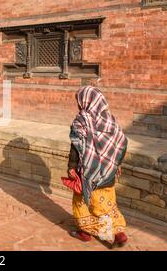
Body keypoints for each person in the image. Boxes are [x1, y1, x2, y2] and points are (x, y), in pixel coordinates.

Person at [67, 85, 128, 248]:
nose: (79, 105)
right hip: (108, 172)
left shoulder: (81, 120)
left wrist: (71, 167)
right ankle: (118, 232)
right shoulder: (111, 120)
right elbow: (122, 142)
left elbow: (76, 147)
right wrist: (117, 163)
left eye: (79, 101)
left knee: (81, 201)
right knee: (106, 203)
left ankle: (85, 232)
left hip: (87, 171)